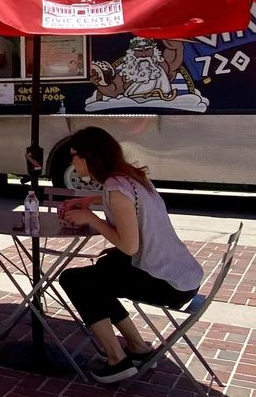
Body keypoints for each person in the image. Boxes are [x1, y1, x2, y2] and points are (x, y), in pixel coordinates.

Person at [56, 127, 206, 384]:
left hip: (168, 284)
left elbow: (130, 247)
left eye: (74, 155)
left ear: (89, 157)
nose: (71, 161)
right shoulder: (131, 177)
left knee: (74, 279)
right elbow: (123, 202)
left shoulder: (117, 189)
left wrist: (91, 218)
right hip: (184, 275)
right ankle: (137, 347)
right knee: (101, 271)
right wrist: (90, 202)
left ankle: (117, 359)